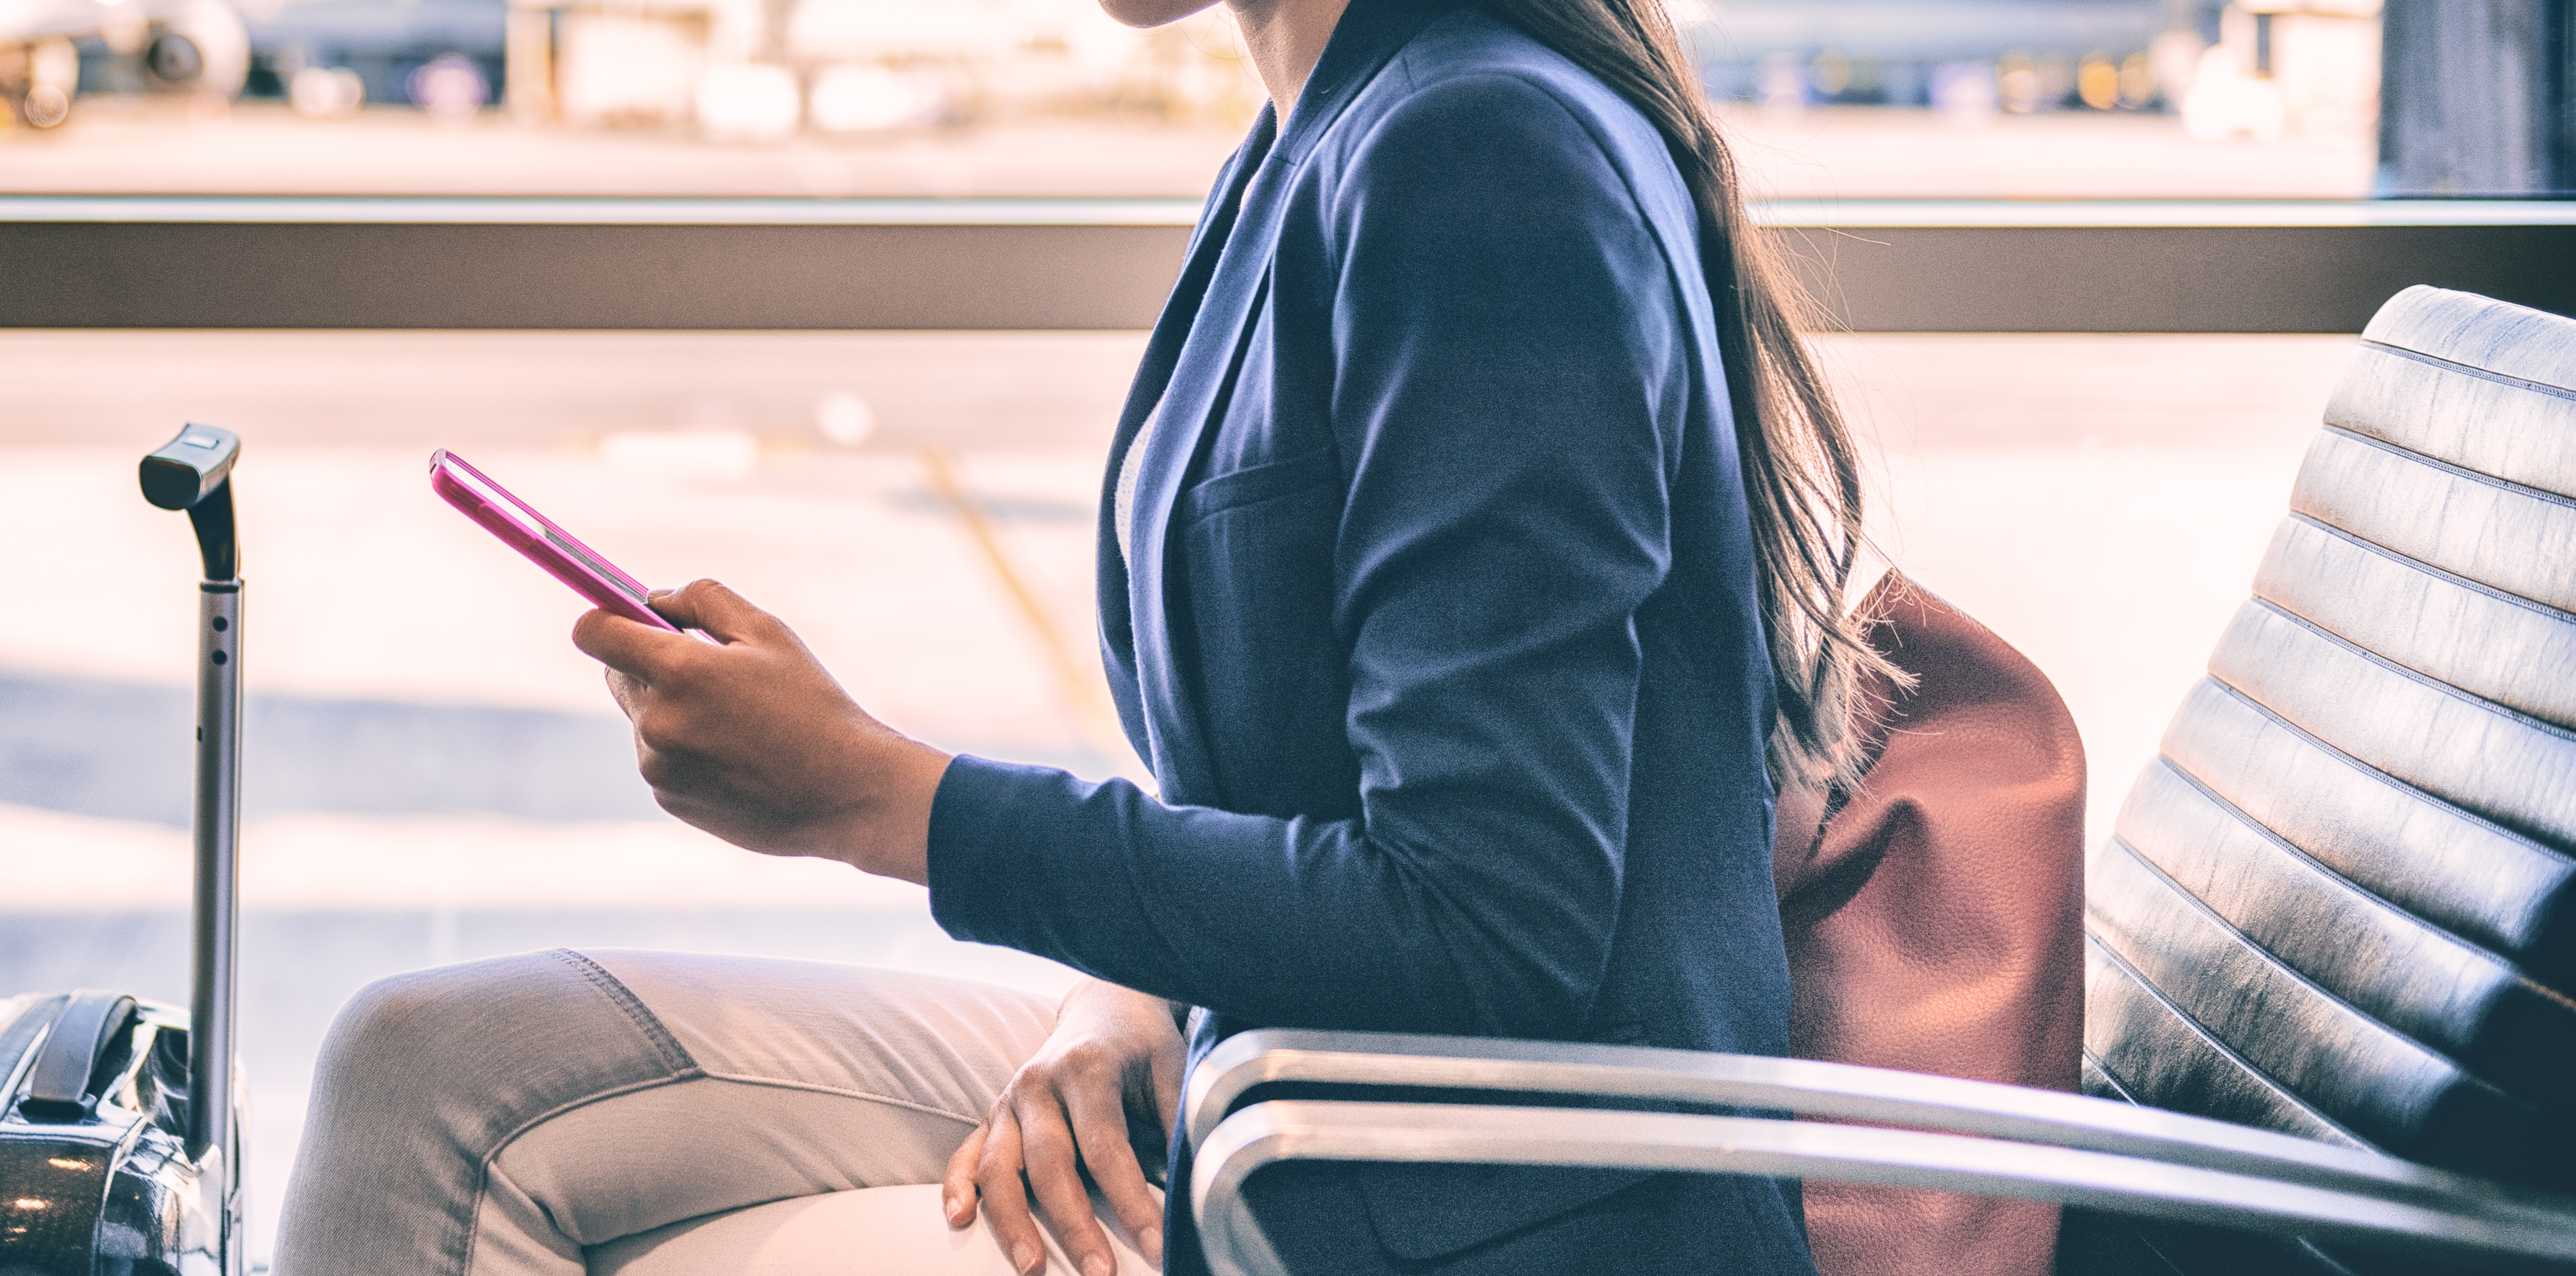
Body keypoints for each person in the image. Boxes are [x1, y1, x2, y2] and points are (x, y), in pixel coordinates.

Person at [272, 0, 1892, 1262]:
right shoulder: (1314, 139)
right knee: (433, 1065)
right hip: (1275, 1085)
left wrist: (879, 801)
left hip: (1455, 1211)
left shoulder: (1481, 156)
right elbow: (1316, 792)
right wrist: (1125, 997)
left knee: (482, 1164)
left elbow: (1493, 925)